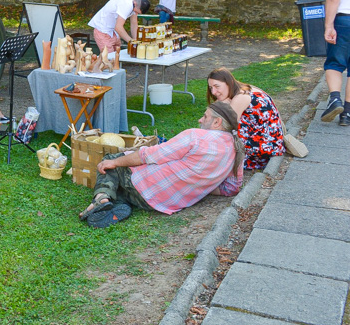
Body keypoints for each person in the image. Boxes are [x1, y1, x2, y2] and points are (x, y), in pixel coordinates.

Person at [78, 101, 244, 228]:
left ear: (217, 123)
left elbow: (148, 155)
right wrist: (201, 186)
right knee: (121, 180)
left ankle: (101, 198)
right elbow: (231, 188)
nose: (200, 119)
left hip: (144, 187)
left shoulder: (196, 137)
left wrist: (115, 161)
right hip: (167, 203)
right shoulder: (237, 149)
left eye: (205, 116)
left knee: (111, 160)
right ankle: (120, 203)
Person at [206, 68, 284, 171]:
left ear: (230, 83)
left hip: (265, 151)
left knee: (223, 131)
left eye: (217, 86)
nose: (213, 92)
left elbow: (223, 128)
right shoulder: (244, 89)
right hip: (272, 143)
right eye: (211, 88)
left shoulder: (240, 97)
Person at [322, 0, 350, 125]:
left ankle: (335, 99)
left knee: (335, 63)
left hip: (344, 22)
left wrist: (328, 26)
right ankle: (347, 113)